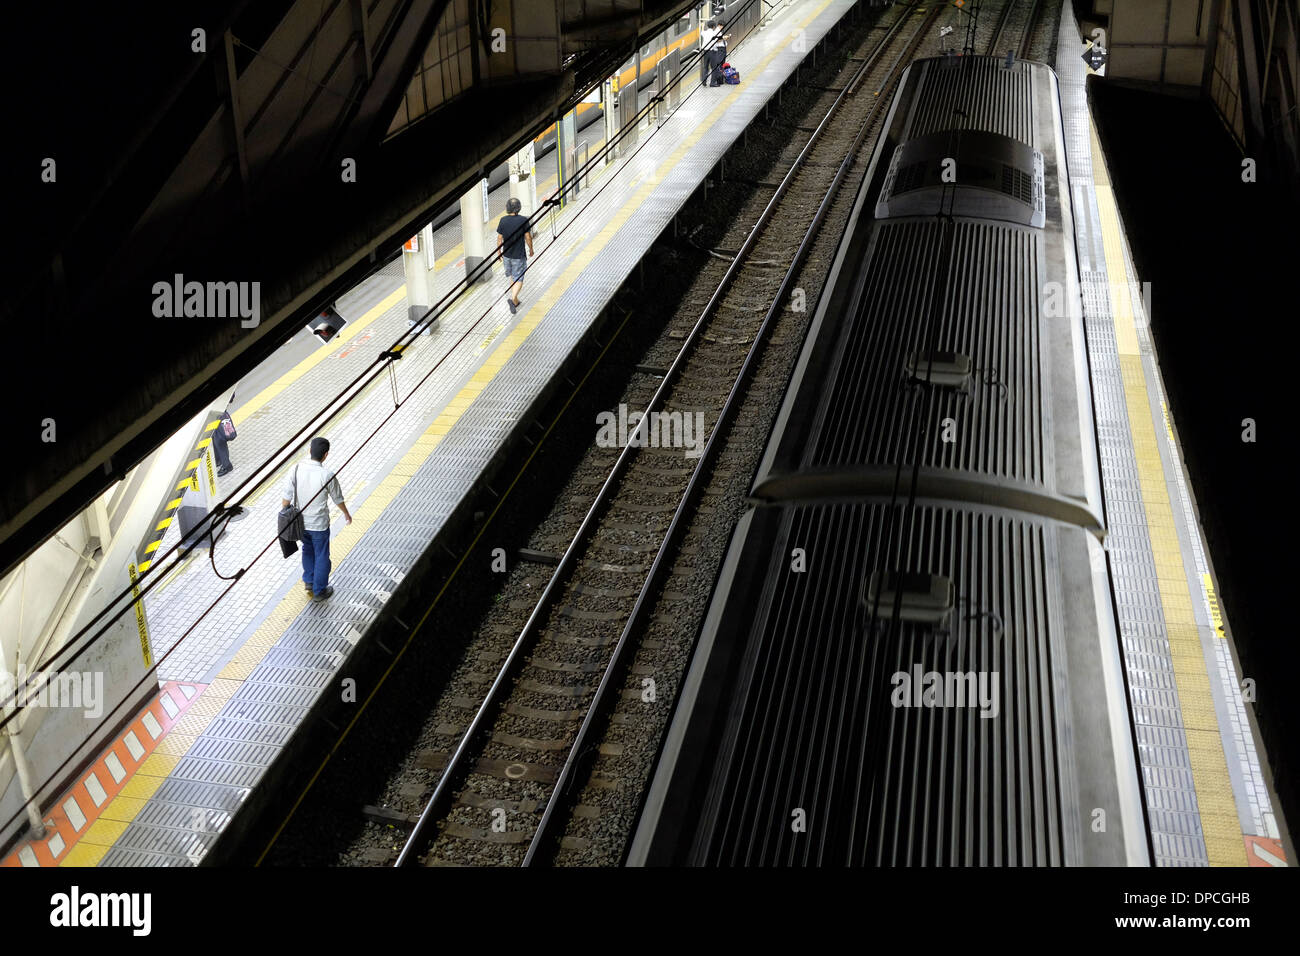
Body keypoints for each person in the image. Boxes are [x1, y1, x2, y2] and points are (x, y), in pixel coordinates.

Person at [280, 437, 352, 601]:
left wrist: (284, 516)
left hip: (300, 524)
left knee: (307, 549)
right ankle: (320, 590)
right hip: (319, 525)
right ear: (326, 455)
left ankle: (309, 581)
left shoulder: (296, 469)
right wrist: (346, 514)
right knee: (321, 555)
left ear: (309, 451)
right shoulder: (327, 475)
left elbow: (286, 498)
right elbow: (338, 498)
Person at [495, 197, 533, 315]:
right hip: (518, 255)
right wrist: (531, 248)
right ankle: (512, 299)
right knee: (519, 278)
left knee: (512, 276)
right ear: (519, 207)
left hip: (507, 255)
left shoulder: (503, 220)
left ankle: (515, 301)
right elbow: (527, 237)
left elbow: (499, 238)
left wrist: (499, 252)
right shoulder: (523, 220)